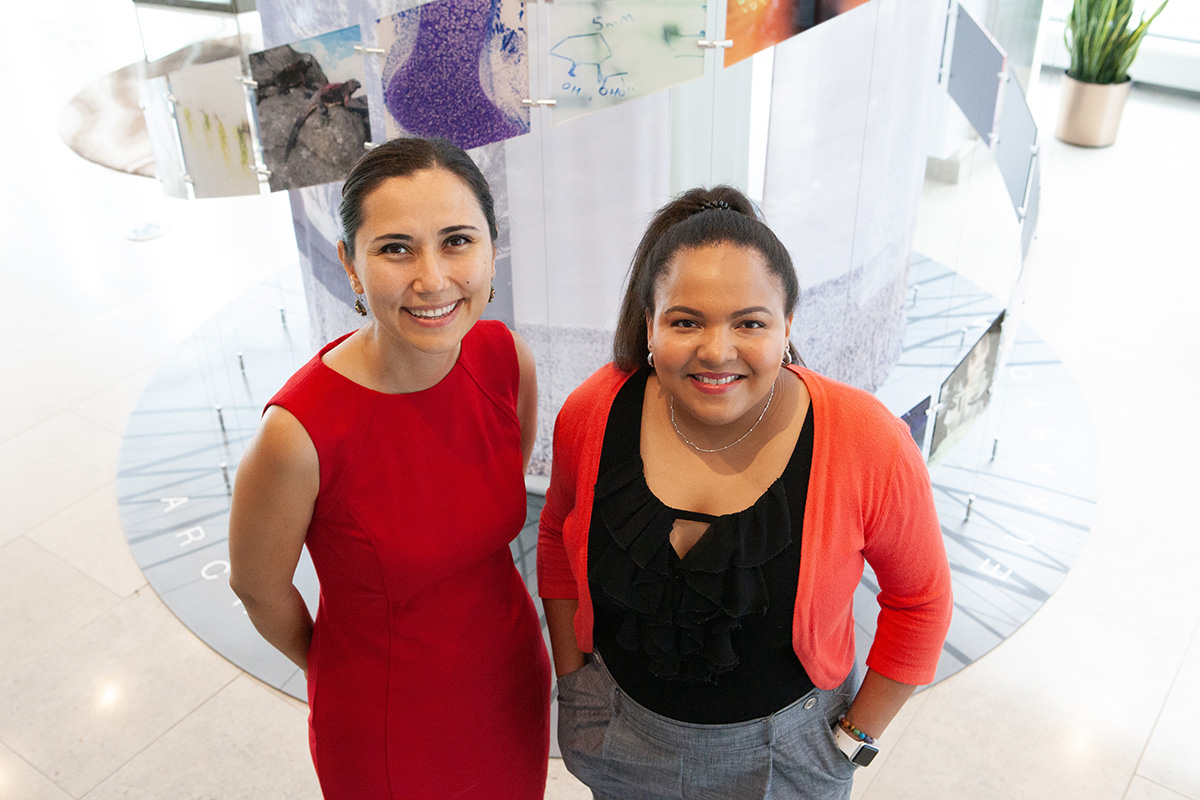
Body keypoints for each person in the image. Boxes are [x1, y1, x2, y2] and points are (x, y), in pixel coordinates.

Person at [538, 186, 952, 799]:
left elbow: (920, 601)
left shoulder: (867, 441)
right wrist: (574, 684)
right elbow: (554, 537)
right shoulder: (595, 411)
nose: (716, 351)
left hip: (786, 761)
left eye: (749, 323)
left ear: (787, 326)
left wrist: (851, 740)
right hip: (619, 735)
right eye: (685, 321)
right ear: (648, 325)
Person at [228, 137, 551, 799]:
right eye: (395, 248)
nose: (432, 279)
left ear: (492, 249)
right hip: (386, 718)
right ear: (350, 264)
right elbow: (260, 590)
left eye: (457, 241)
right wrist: (341, 667)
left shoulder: (500, 356)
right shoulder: (296, 433)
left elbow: (489, 503)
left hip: (509, 677)